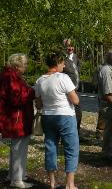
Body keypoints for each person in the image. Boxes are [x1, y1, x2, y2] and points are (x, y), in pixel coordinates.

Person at [35, 51, 80, 189]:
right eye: (62, 63)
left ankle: (52, 183)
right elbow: (75, 100)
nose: (64, 65)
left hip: (48, 116)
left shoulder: (39, 80)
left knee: (50, 148)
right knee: (71, 148)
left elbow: (38, 104)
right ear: (58, 63)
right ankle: (70, 184)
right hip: (65, 116)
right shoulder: (63, 78)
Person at [0, 54, 35, 188]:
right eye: (24, 64)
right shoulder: (11, 77)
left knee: (17, 147)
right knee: (19, 148)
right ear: (16, 66)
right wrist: (32, 92)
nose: (26, 67)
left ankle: (14, 175)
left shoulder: (10, 76)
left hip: (15, 117)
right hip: (16, 118)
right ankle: (17, 179)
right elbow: (16, 98)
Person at [62, 39, 83, 138]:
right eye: (68, 46)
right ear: (64, 47)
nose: (70, 48)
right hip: (67, 90)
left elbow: (78, 69)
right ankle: (66, 135)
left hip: (76, 89)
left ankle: (77, 133)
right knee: (68, 112)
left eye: (72, 46)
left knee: (78, 113)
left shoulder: (75, 57)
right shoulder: (62, 59)